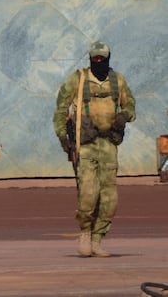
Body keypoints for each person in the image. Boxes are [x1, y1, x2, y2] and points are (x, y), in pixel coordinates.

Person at [53, 41, 136, 257]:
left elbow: (131, 106)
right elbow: (61, 109)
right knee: (88, 194)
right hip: (85, 146)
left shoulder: (118, 80)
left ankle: (98, 239)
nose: (98, 61)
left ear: (108, 58)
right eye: (94, 58)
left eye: (102, 58)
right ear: (90, 58)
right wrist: (64, 138)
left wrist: (124, 116)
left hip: (108, 145)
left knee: (109, 197)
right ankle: (85, 233)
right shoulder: (78, 79)